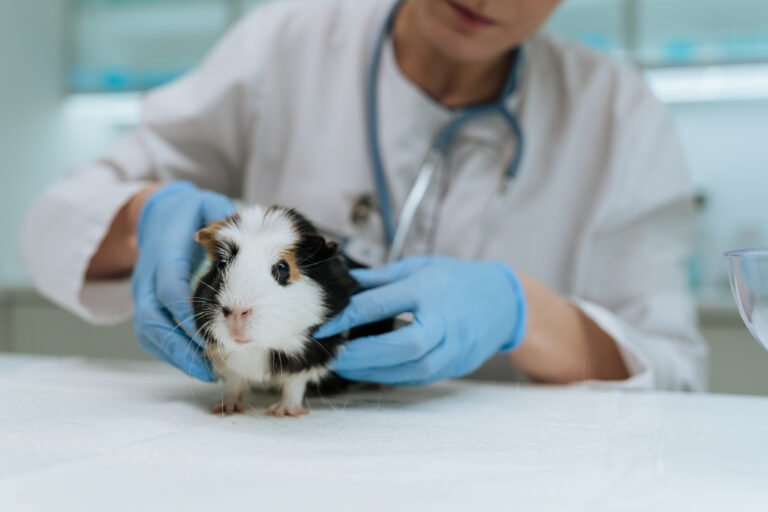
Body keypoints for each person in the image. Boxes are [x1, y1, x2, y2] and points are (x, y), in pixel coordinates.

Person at [19, 0, 706, 390]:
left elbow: (674, 373)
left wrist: (520, 313)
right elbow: (57, 220)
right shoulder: (290, 40)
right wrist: (147, 220)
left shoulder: (616, 113)